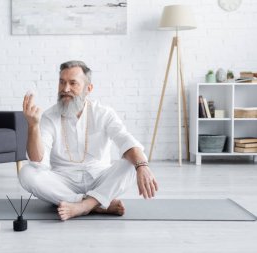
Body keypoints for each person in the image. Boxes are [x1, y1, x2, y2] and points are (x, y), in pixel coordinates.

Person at [20, 60, 158, 221]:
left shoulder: (103, 113)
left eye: (73, 83)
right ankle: (95, 204)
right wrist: (33, 126)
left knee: (131, 163)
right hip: (63, 182)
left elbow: (125, 140)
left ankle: (83, 206)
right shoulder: (49, 116)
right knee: (27, 173)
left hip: (100, 178)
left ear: (88, 89)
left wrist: (142, 166)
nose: (65, 89)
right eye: (62, 82)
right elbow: (37, 161)